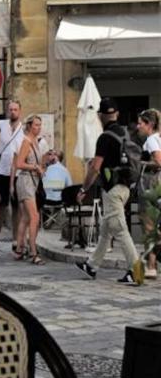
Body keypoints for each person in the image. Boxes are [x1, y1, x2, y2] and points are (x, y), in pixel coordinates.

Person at [75, 98, 141, 285]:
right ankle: (92, 265)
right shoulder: (127, 134)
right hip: (126, 187)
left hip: (112, 189)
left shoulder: (104, 138)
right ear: (117, 114)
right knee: (106, 230)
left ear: (100, 116)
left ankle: (137, 271)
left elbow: (95, 167)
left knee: (120, 230)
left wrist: (83, 189)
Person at [12, 115, 46, 265]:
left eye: (40, 125)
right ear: (29, 126)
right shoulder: (26, 141)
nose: (38, 128)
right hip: (25, 181)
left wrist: (41, 168)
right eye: (36, 125)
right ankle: (33, 252)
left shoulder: (36, 142)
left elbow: (36, 162)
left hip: (33, 181)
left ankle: (19, 249)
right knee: (34, 217)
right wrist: (35, 167)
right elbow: (19, 163)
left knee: (26, 218)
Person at [0, 100, 23, 257]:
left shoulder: (23, 129)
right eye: (10, 109)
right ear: (7, 110)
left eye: (15, 109)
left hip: (18, 173)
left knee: (17, 208)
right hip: (2, 170)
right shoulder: (0, 124)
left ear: (20, 111)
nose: (13, 112)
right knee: (1, 206)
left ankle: (15, 239)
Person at [137, 109, 161, 278]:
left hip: (150, 183)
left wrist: (140, 162)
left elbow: (159, 161)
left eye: (141, 123)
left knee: (148, 224)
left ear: (149, 125)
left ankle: (151, 266)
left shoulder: (152, 139)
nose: (138, 126)